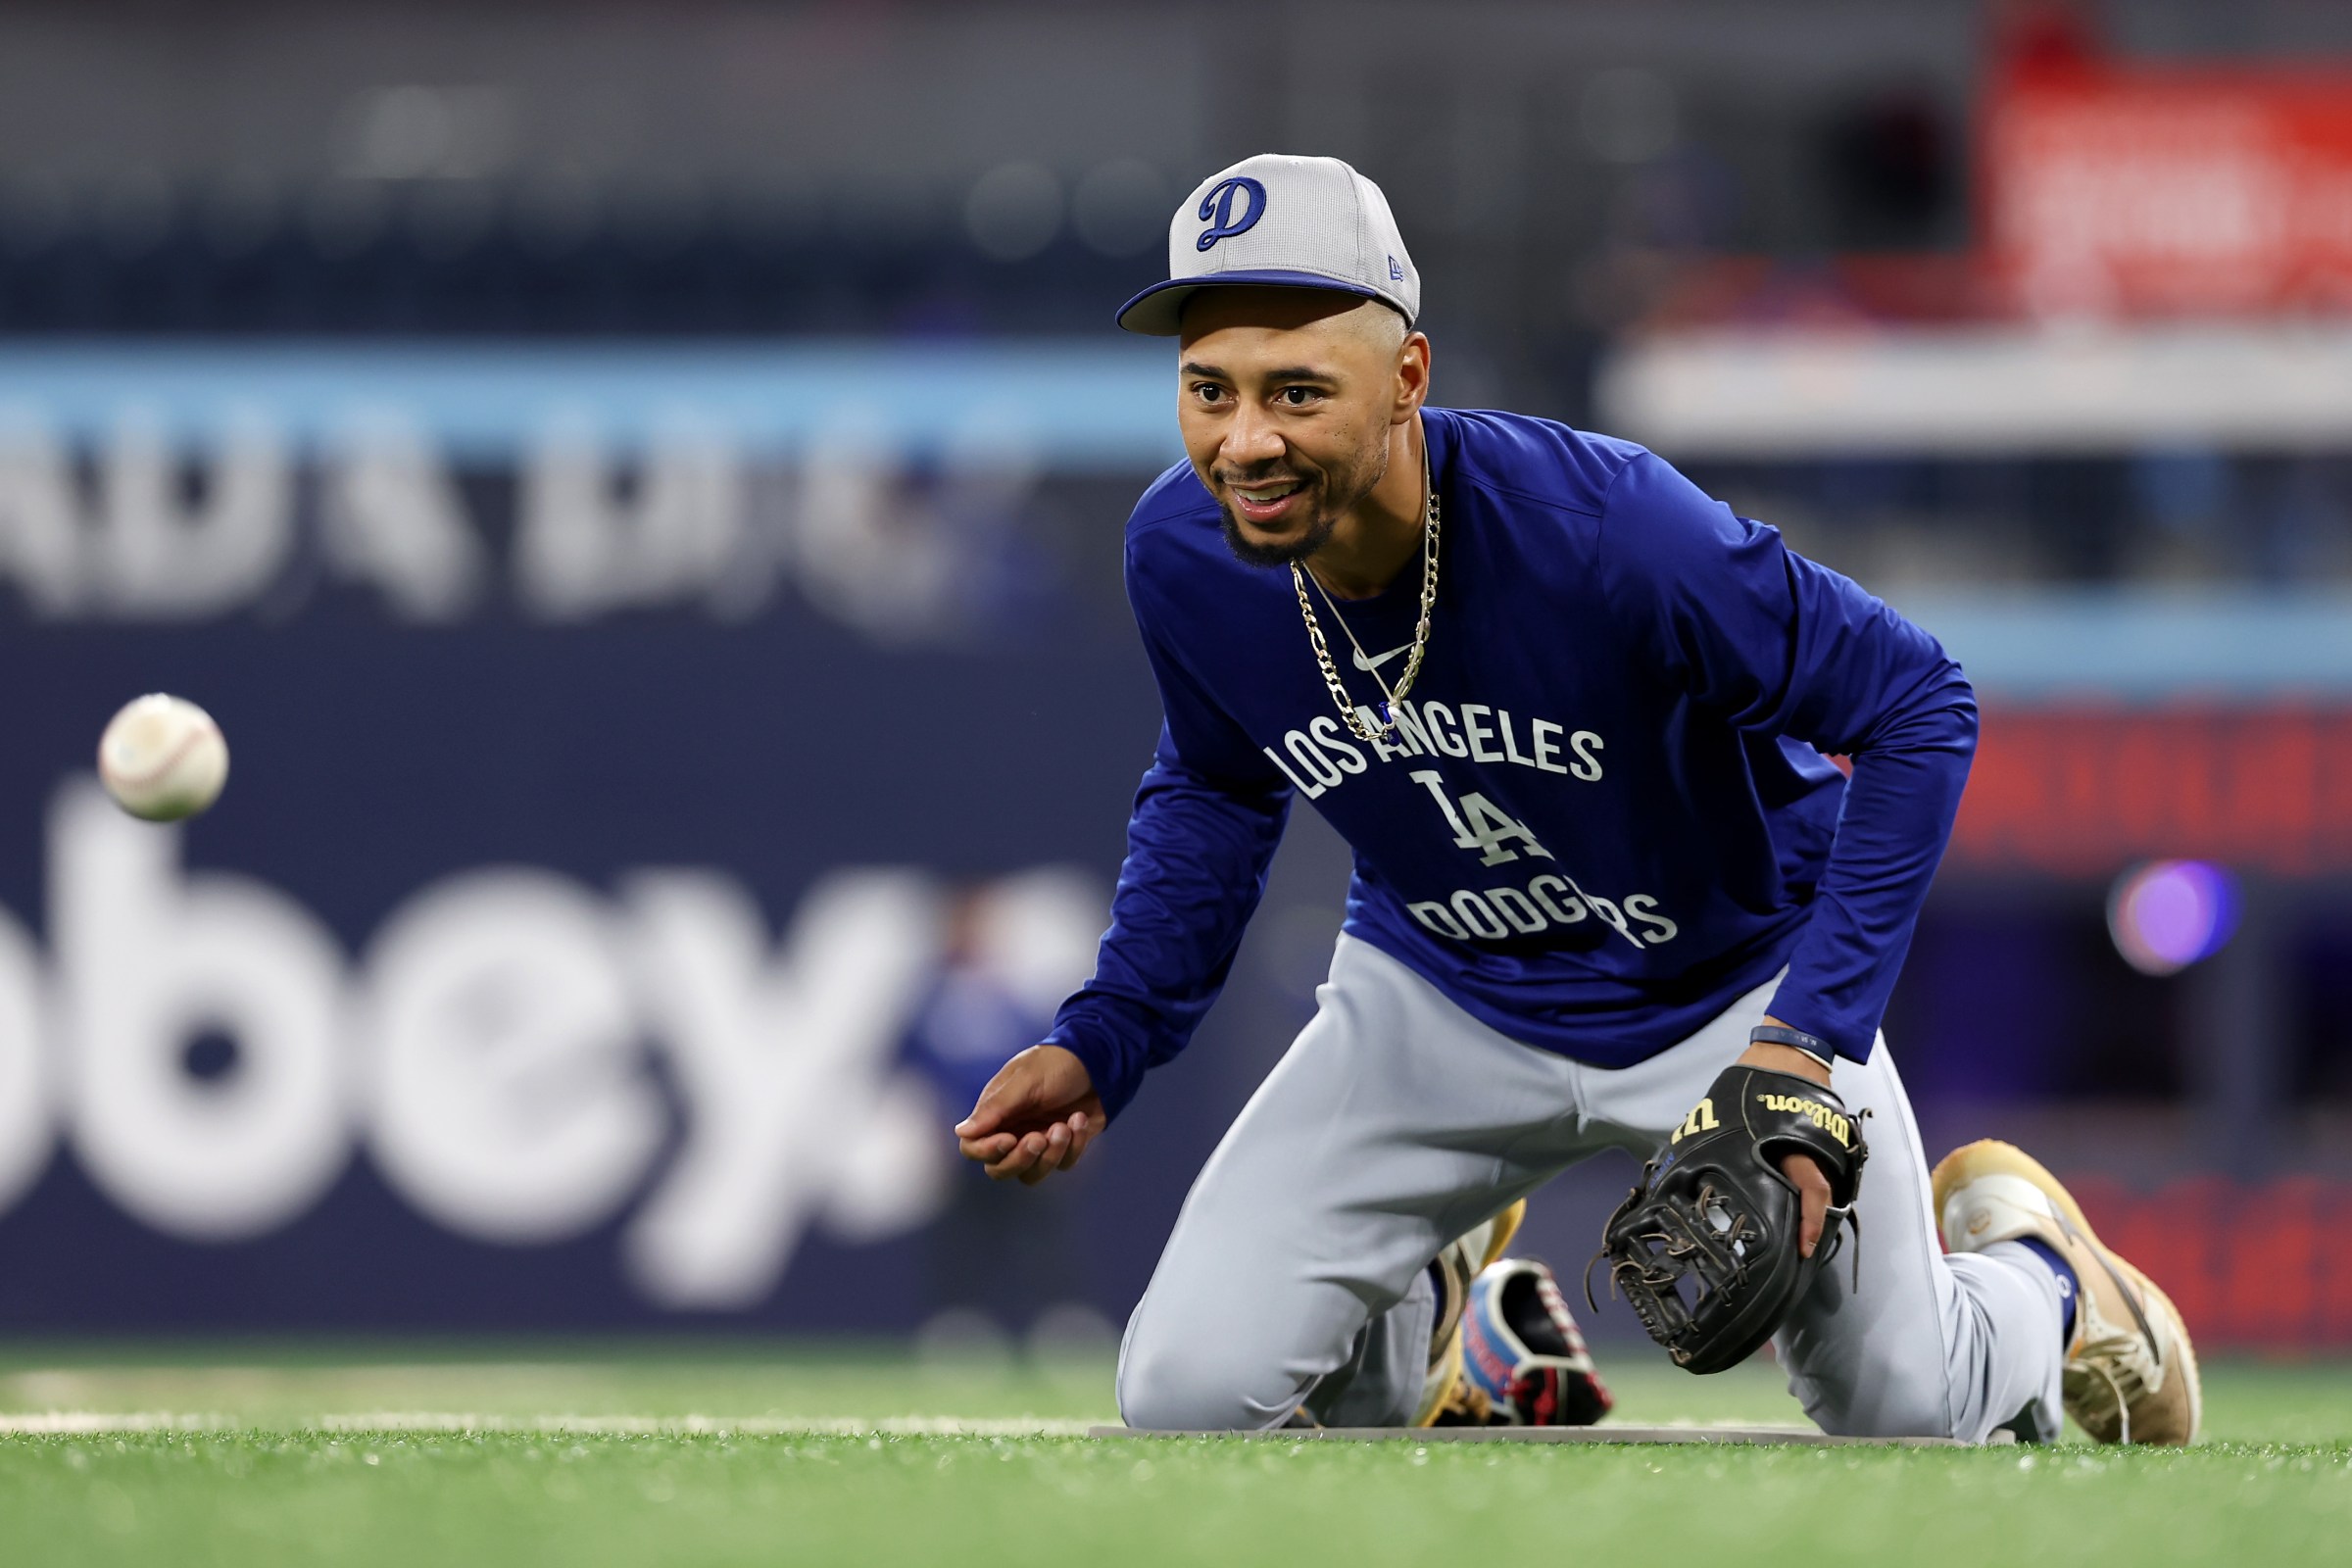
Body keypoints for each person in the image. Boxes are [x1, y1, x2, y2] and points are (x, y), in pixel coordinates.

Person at [953, 154, 2199, 1444]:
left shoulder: (1605, 530)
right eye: (1207, 390)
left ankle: (2050, 1285)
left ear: (1409, 381)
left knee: (1904, 1409)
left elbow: (1918, 704)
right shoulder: (1185, 553)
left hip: (1724, 993)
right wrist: (1106, 1033)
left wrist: (1807, 1044)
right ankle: (1440, 1301)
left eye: (1297, 391)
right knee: (1187, 1401)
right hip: (1439, 995)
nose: (1243, 439)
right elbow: (1216, 789)